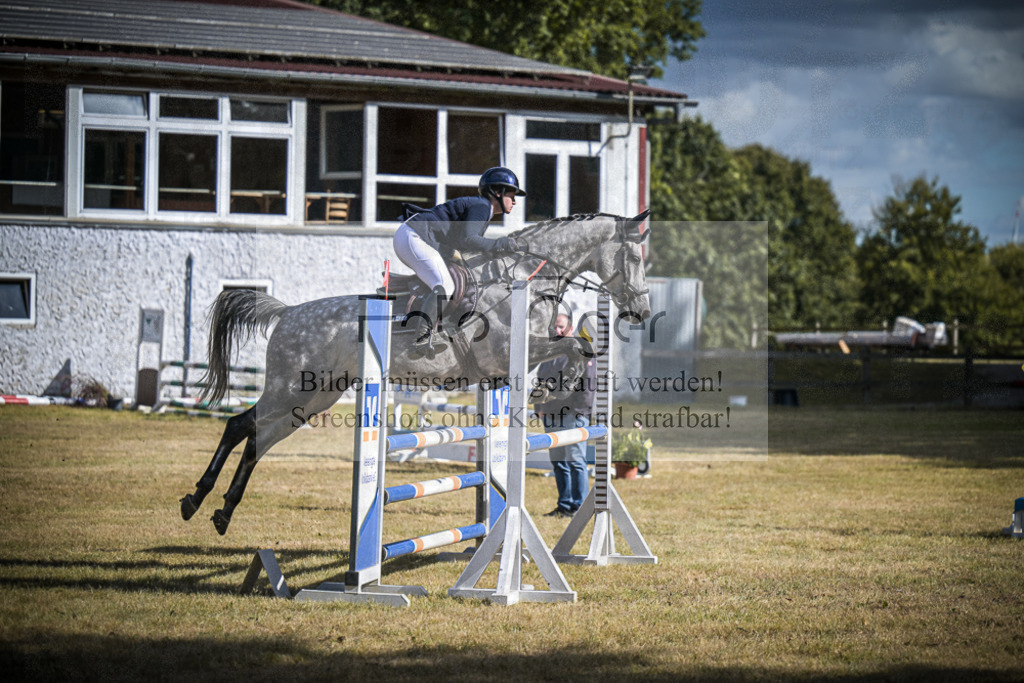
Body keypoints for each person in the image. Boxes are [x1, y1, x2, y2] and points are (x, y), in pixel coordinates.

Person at [393, 167, 526, 358]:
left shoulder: (482, 209)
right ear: (498, 192)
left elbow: (466, 246)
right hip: (414, 236)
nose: (514, 201)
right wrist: (500, 244)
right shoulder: (482, 206)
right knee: (445, 286)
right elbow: (469, 240)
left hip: (416, 236)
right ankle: (422, 336)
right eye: (511, 195)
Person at [534, 312, 597, 518]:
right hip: (550, 414)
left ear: (570, 328)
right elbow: (540, 382)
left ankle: (580, 507)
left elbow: (588, 385)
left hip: (574, 413)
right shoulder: (549, 353)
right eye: (555, 327)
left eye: (561, 327)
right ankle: (564, 504)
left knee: (575, 459)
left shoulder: (581, 350)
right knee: (558, 460)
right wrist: (538, 409)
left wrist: (581, 413)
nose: (557, 331)